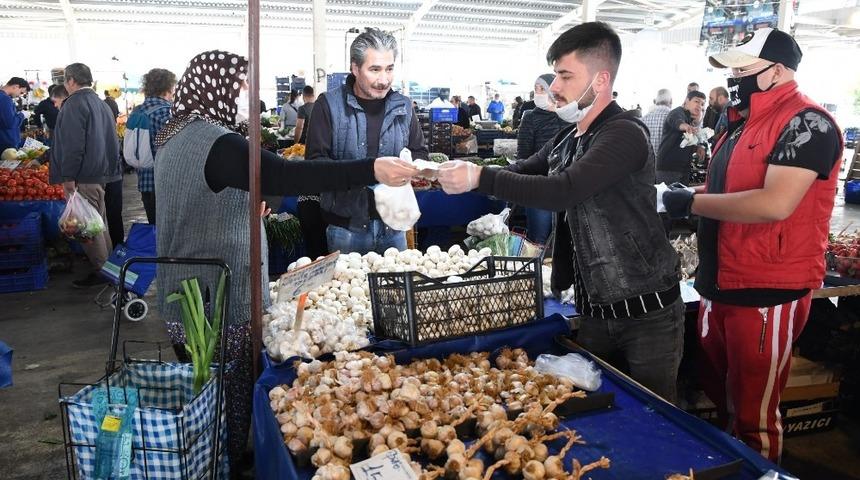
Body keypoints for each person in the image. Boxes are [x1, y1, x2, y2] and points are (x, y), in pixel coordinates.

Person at [153, 50, 417, 471]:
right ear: (216, 86)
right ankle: (226, 464)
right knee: (227, 404)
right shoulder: (214, 141)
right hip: (215, 299)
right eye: (242, 86)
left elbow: (216, 193)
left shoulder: (177, 134)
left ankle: (217, 457)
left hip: (187, 292)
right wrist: (371, 168)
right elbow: (284, 175)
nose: (250, 96)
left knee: (207, 400)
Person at [437, 22, 684, 403]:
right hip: (594, 307)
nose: (555, 86)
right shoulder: (569, 137)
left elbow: (563, 190)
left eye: (566, 75)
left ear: (601, 80)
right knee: (595, 409)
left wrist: (479, 178)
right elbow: (525, 170)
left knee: (655, 411)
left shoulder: (624, 133)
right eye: (555, 74)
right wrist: (446, 172)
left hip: (645, 311)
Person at [662, 28, 843, 462]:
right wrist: (681, 194)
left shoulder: (807, 123)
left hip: (766, 285)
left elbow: (775, 202)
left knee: (754, 412)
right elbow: (731, 186)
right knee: (722, 393)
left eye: (744, 70)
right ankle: (732, 465)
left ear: (777, 71)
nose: (734, 79)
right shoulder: (741, 123)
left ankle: (760, 469)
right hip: (719, 277)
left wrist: (692, 203)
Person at [305, 28, 429, 255]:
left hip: (394, 226)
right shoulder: (329, 105)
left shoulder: (403, 106)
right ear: (355, 68)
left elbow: (419, 152)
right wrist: (369, 171)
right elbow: (315, 165)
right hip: (346, 228)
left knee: (398, 279)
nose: (384, 80)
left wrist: (413, 169)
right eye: (375, 70)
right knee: (348, 280)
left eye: (389, 69)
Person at [51, 63, 122, 288]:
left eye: (65, 80)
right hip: (100, 173)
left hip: (84, 176)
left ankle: (103, 272)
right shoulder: (101, 104)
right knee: (98, 224)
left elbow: (72, 146)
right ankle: (110, 269)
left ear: (71, 80)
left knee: (89, 228)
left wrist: (68, 177)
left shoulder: (74, 104)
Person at [516, 73, 571, 245]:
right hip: (539, 188)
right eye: (536, 89)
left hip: (568, 188)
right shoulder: (530, 117)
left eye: (542, 89)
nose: (538, 93)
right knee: (538, 241)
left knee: (565, 242)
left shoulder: (570, 115)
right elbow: (523, 156)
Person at [134, 68, 176, 225]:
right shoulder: (167, 113)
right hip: (165, 183)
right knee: (168, 230)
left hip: (145, 181)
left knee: (154, 228)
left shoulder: (138, 111)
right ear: (168, 88)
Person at [656, 90, 706, 186]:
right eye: (696, 101)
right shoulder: (677, 112)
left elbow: (682, 143)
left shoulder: (689, 119)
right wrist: (685, 126)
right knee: (670, 195)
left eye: (702, 104)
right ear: (686, 101)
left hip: (682, 169)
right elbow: (676, 121)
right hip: (669, 169)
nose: (699, 106)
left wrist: (696, 148)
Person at [0, 77, 29, 151]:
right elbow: (10, 123)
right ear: (16, 86)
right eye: (21, 92)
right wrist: (22, 115)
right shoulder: (5, 99)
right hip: (6, 143)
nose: (19, 95)